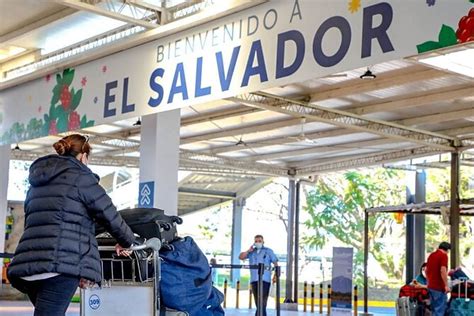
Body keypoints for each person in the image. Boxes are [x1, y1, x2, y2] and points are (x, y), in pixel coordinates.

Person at [7, 134, 135, 316]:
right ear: (83, 155)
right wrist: (128, 242)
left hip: (28, 266)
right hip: (58, 267)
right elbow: (110, 215)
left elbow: (34, 222)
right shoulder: (82, 178)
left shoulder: (37, 183)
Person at [239, 234, 278, 316]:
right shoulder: (251, 252)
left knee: (262, 303)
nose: (258, 243)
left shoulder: (268, 251)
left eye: (259, 241)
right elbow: (241, 257)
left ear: (263, 241)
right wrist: (248, 250)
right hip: (254, 280)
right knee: (258, 303)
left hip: (265, 280)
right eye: (256, 241)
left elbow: (275, 262)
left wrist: (276, 275)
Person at [425, 241, 451, 316]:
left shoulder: (431, 255)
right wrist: (446, 285)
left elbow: (426, 270)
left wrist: (429, 281)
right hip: (439, 287)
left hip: (431, 287)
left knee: (434, 310)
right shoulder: (443, 255)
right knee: (440, 310)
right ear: (447, 250)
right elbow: (443, 270)